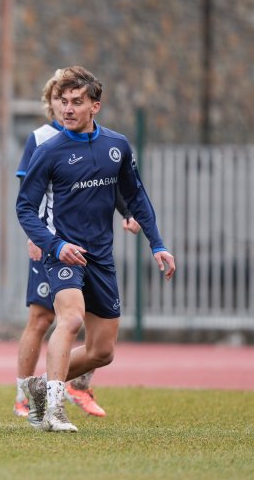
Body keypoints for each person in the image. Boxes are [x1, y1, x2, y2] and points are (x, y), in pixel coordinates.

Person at [16, 66, 175, 433]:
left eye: (77, 102)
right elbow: (25, 207)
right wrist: (54, 244)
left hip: (100, 257)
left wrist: (158, 244)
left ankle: (41, 386)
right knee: (69, 319)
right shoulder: (48, 149)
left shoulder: (116, 146)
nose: (68, 109)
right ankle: (54, 409)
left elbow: (136, 196)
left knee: (103, 352)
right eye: (64, 102)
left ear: (95, 106)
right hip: (62, 254)